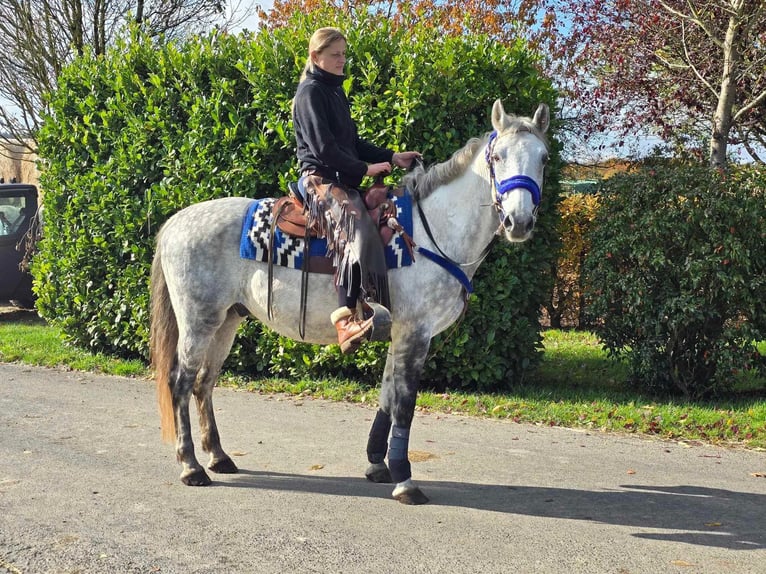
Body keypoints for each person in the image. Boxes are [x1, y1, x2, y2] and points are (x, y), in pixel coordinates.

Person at [292, 27, 421, 353]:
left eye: (344, 54)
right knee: (357, 230)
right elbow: (323, 149)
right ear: (315, 56)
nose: (342, 60)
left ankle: (375, 302)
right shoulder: (310, 93)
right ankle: (345, 321)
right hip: (318, 180)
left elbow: (351, 144)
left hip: (341, 180)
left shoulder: (334, 92)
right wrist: (365, 170)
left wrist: (391, 157)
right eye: (335, 55)